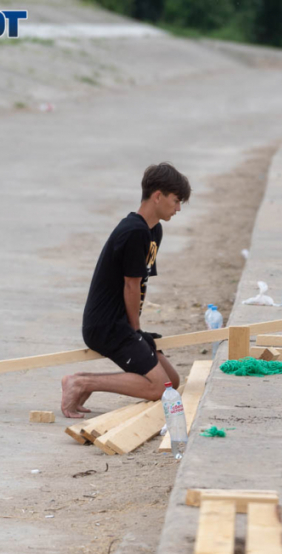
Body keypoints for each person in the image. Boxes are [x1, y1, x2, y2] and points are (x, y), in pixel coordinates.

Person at [60, 163, 190, 418]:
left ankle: (84, 380)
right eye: (175, 201)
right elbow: (131, 285)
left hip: (121, 323)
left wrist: (136, 330)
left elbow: (140, 285)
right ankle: (81, 382)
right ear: (157, 196)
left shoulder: (153, 231)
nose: (178, 208)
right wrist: (136, 330)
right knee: (160, 388)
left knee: (171, 381)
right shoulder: (134, 232)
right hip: (106, 326)